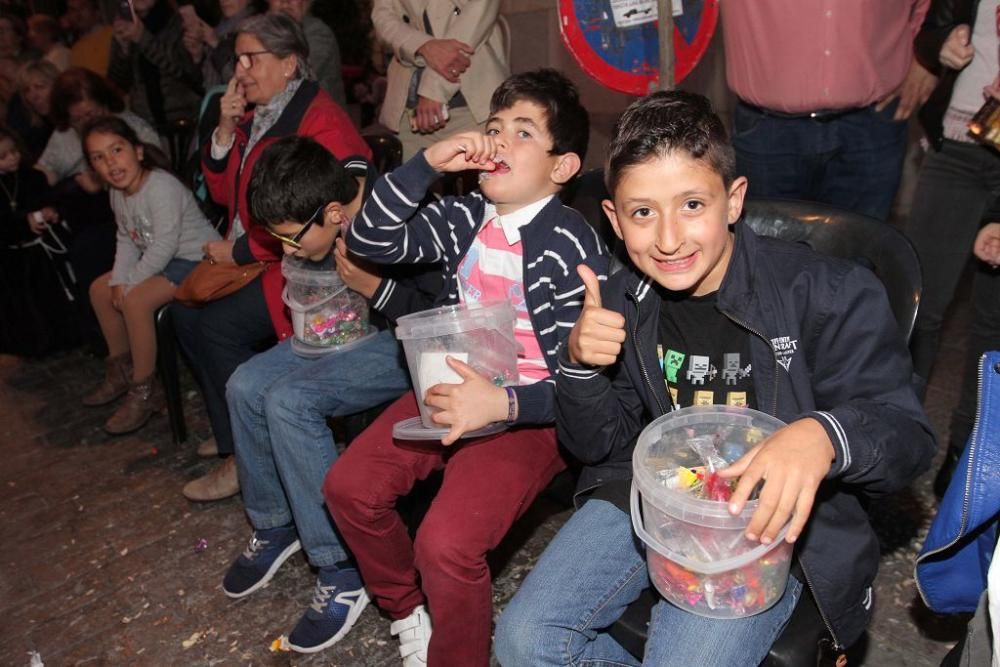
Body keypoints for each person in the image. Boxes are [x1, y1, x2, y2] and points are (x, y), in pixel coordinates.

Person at [493, 91, 936, 666]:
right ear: (613, 217)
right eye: (643, 212)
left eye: (693, 205)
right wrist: (578, 366)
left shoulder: (831, 293)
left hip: (771, 527)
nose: (669, 239)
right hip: (653, 492)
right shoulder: (622, 294)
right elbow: (600, 445)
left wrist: (824, 434)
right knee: (525, 640)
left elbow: (907, 438)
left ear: (733, 200)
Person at [324, 69, 608, 667]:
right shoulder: (464, 215)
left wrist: (505, 405)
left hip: (533, 412)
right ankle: (407, 611)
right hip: (453, 383)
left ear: (561, 167)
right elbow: (372, 240)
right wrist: (428, 161)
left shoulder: (569, 243)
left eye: (523, 132)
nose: (500, 141)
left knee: (446, 543)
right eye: (494, 127)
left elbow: (586, 386)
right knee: (348, 488)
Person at [221, 135, 441, 654]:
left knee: (291, 402)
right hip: (337, 334)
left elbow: (434, 307)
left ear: (336, 213)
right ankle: (276, 523)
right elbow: (352, 162)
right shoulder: (331, 189)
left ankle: (340, 563)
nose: (287, 251)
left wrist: (374, 287)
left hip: (400, 344)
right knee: (245, 384)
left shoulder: (396, 221)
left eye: (292, 239)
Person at [173, 12, 371, 502]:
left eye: (251, 58)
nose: (239, 69)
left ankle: (242, 455)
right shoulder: (255, 114)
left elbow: (339, 205)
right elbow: (226, 196)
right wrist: (221, 131)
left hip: (301, 267)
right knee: (184, 314)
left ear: (288, 63)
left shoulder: (317, 118)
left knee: (215, 326)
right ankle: (235, 434)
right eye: (236, 57)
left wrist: (240, 248)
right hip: (260, 254)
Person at [719, 0, 936, 221]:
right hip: (767, 131)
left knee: (862, 249)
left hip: (873, 127)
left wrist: (927, 55)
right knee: (765, 251)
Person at [905, 0, 1000, 496]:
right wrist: (940, 43)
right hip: (961, 144)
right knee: (922, 305)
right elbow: (931, 26)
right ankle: (899, 440)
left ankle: (972, 457)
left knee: (994, 322)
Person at [79, 116, 219, 434]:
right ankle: (121, 371)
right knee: (100, 290)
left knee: (135, 301)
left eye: (117, 150)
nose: (111, 162)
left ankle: (145, 390)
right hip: (162, 260)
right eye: (99, 157)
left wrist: (130, 283)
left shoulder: (160, 187)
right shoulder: (118, 193)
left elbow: (166, 244)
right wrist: (117, 279)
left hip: (196, 260)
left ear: (138, 151)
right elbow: (127, 239)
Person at [371, 0, 509, 160]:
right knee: (408, 180)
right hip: (409, 109)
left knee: (489, 178)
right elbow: (382, 17)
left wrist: (434, 88)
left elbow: (477, 14)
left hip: (475, 104)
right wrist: (422, 45)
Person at [0, 124, 79, 356]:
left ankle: (64, 339)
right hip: (12, 254)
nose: (12, 158)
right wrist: (23, 223)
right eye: (3, 156)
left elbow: (50, 200)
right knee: (23, 305)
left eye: (13, 151)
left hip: (40, 251)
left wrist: (51, 211)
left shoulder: (32, 177)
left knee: (50, 298)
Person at [108, 0, 203, 129]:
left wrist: (142, 37)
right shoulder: (126, 24)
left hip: (184, 119)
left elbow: (185, 69)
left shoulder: (180, 20)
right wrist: (123, 49)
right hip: (144, 122)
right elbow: (118, 82)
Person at [268, 0, 346, 106]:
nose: (285, 2)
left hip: (317, 118)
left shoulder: (318, 33)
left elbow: (296, 77)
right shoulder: (260, 33)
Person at [179, 0, 258, 90]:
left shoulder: (255, 29)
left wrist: (216, 43)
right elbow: (199, 88)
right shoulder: (219, 29)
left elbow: (240, 80)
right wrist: (197, 57)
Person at [9, 60, 57, 161]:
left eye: (39, 87)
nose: (33, 96)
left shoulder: (76, 117)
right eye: (27, 90)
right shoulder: (34, 131)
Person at [63, 0, 115, 77]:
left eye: (83, 7)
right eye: (73, 10)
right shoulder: (75, 50)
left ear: (97, 12)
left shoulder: (114, 35)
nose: (78, 14)